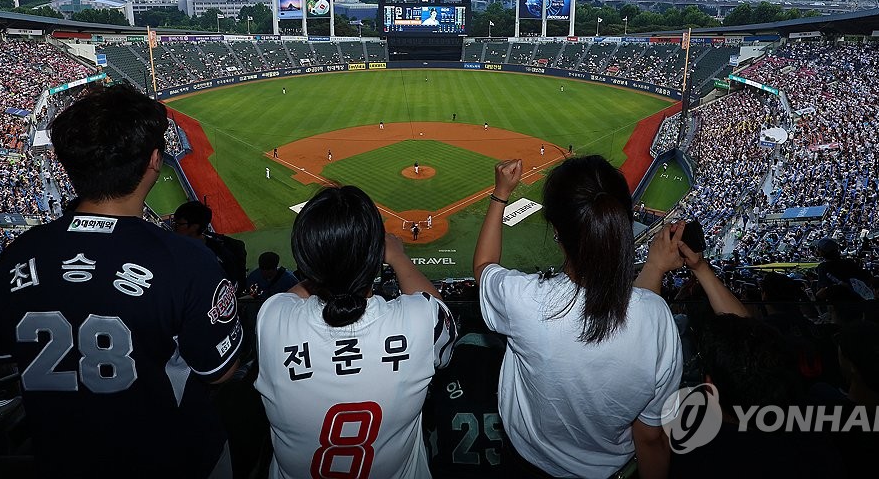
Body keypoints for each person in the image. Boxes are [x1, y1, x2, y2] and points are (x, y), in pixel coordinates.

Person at [0, 85, 242, 478]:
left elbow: (2, 361)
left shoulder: (14, 257)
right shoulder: (187, 259)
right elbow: (219, 370)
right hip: (176, 458)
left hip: (61, 459)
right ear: (154, 160)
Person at [473, 156, 681, 479]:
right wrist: (654, 268)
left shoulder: (526, 300)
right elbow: (650, 438)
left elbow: (484, 267)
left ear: (557, 232)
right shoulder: (659, 321)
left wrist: (501, 195)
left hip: (528, 463)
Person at [255, 186, 456, 479]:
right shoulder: (420, 321)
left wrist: (330, 261)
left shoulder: (271, 319)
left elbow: (291, 298)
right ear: (375, 257)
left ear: (306, 259)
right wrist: (397, 257)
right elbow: (442, 315)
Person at [174, 200, 249, 293]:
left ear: (195, 226)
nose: (174, 227)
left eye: (179, 224)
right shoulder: (176, 246)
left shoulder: (219, 253)